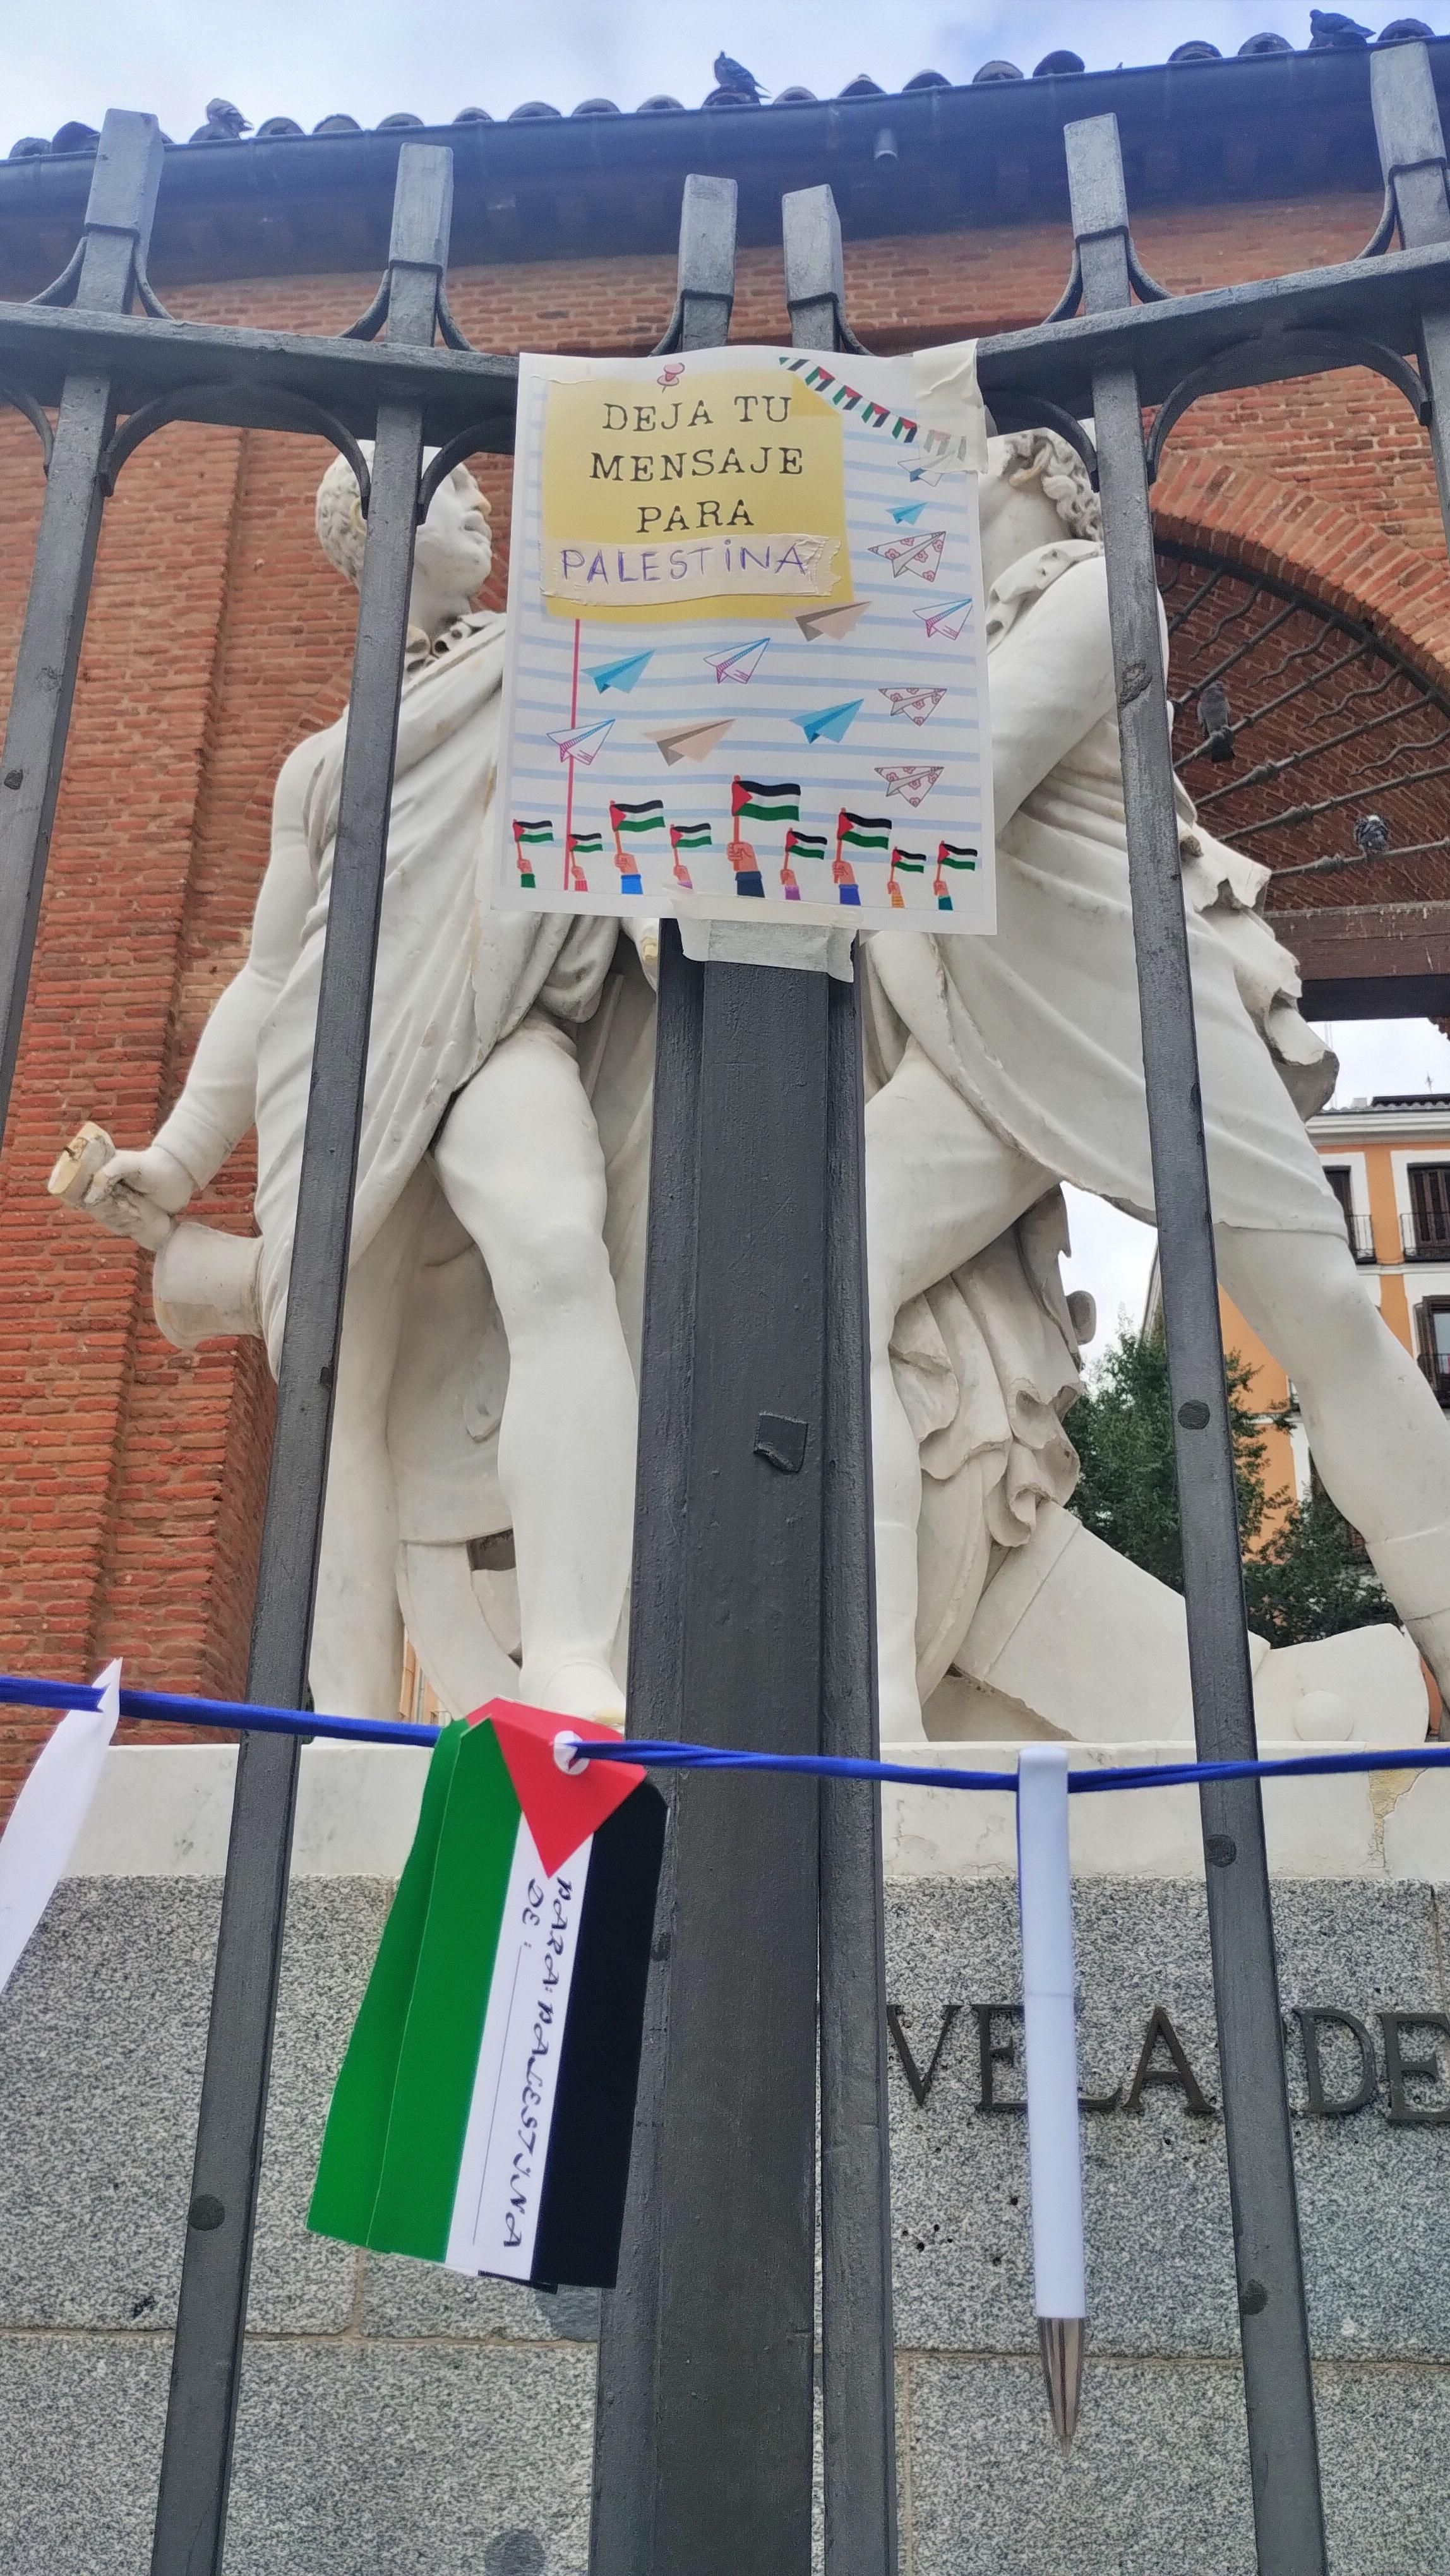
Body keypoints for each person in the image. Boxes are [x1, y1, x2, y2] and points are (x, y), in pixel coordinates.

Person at [861, 426, 1450, 1738]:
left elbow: (970, 780)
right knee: (837, 1275)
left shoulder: (1095, 588)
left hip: (1136, 1005)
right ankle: (876, 1709)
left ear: (1030, 471)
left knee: (1322, 1328)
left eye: (939, 470)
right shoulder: (945, 642)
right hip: (987, 1026)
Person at [66, 453, 647, 1726]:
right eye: (447, 489)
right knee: (340, 1383)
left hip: (504, 1026)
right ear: (374, 533)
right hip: (338, 1057)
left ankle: (568, 1651)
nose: (482, 502)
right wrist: (174, 1156)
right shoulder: (321, 765)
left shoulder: (566, 661)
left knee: (559, 1255)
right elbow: (273, 972)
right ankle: (344, 1708)